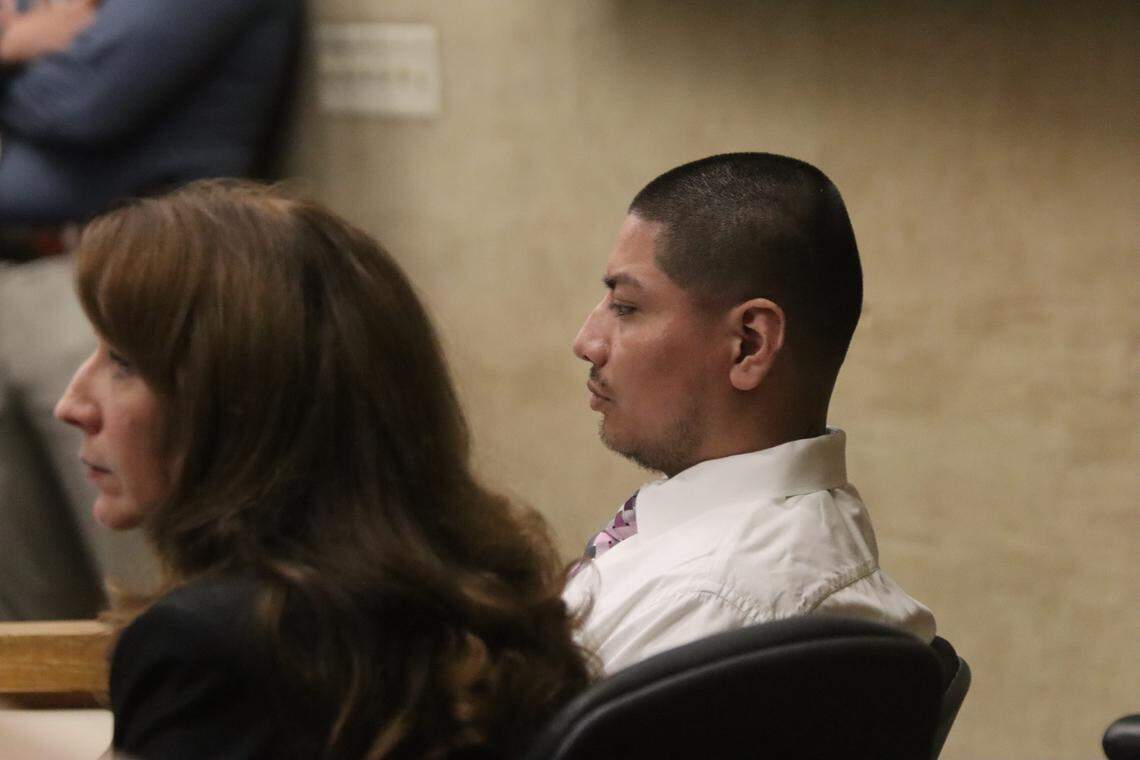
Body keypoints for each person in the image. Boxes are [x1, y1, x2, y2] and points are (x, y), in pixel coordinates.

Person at [53, 180, 592, 759]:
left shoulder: (204, 646)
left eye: (123, 364)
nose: (73, 406)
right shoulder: (493, 600)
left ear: (241, 400)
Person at [564, 152, 936, 673]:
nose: (586, 342)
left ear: (749, 343)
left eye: (625, 307)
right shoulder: (712, 551)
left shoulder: (712, 605)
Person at [0, 0, 302, 619]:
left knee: (144, 578)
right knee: (30, 615)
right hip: (18, 276)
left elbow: (84, 102)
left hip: (128, 291)